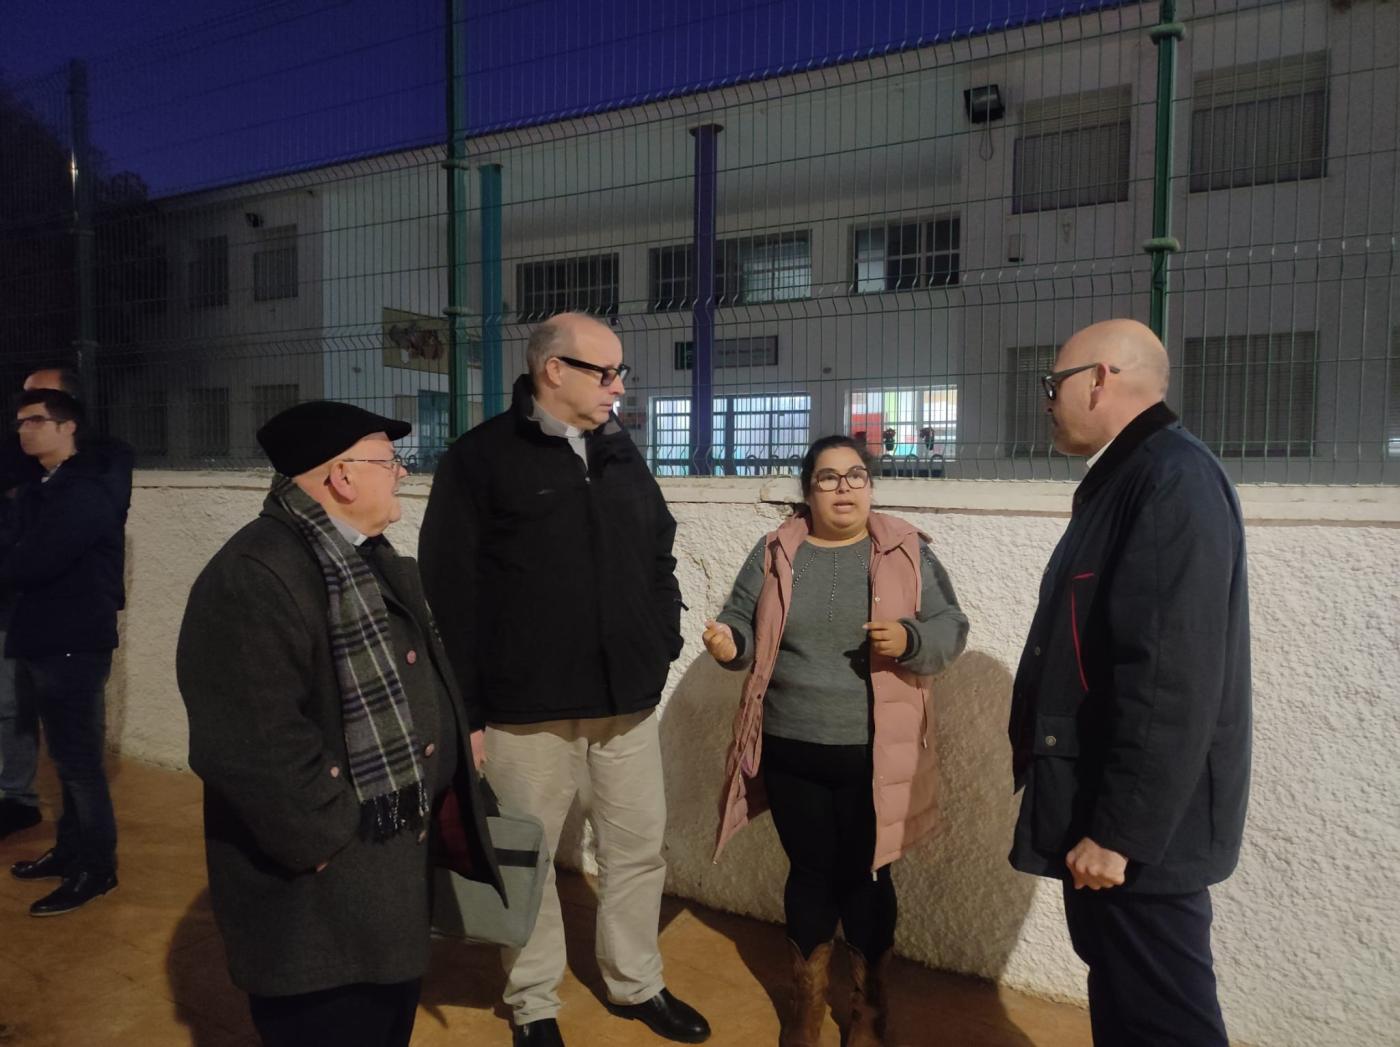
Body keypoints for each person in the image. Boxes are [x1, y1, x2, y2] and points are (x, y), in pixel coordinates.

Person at [419, 313, 709, 1047]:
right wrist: (470, 713)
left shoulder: (618, 449)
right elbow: (451, 593)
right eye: (605, 372)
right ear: (554, 371)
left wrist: (659, 639)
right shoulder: (479, 459)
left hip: (627, 704)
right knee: (530, 859)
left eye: (621, 373)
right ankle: (534, 1002)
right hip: (526, 713)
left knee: (638, 849)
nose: (619, 386)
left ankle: (636, 982)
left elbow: (659, 553)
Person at [176, 401, 503, 1047]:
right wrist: (330, 841)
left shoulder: (366, 559)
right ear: (342, 477)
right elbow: (253, 749)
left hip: (380, 890)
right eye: (389, 461)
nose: (403, 473)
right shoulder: (256, 576)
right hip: (318, 913)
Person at [1007, 319, 1252, 1045]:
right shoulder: (1132, 477)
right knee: (1123, 1000)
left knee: (1165, 1019)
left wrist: (1119, 834)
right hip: (1114, 816)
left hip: (1143, 840)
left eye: (1054, 385)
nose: (1047, 401)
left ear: (1100, 379)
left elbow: (1170, 677)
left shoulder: (1171, 480)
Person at [704, 434, 969, 1047]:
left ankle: (870, 1011)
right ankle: (806, 1003)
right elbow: (742, 623)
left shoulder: (905, 548)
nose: (843, 488)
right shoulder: (775, 550)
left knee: (868, 878)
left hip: (875, 752)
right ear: (807, 490)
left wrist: (910, 640)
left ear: (871, 485)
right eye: (828, 477)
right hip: (791, 746)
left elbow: (950, 626)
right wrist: (729, 646)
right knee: (810, 872)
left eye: (855, 476)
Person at [3, 390, 125, 915]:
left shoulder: (84, 492)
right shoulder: (41, 490)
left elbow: (31, 562)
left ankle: (97, 869)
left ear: (68, 427)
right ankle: (70, 851)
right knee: (65, 762)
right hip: (43, 639)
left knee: (79, 766)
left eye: (35, 420)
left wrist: (18, 554)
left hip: (73, 643)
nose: (23, 430)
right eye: (19, 422)